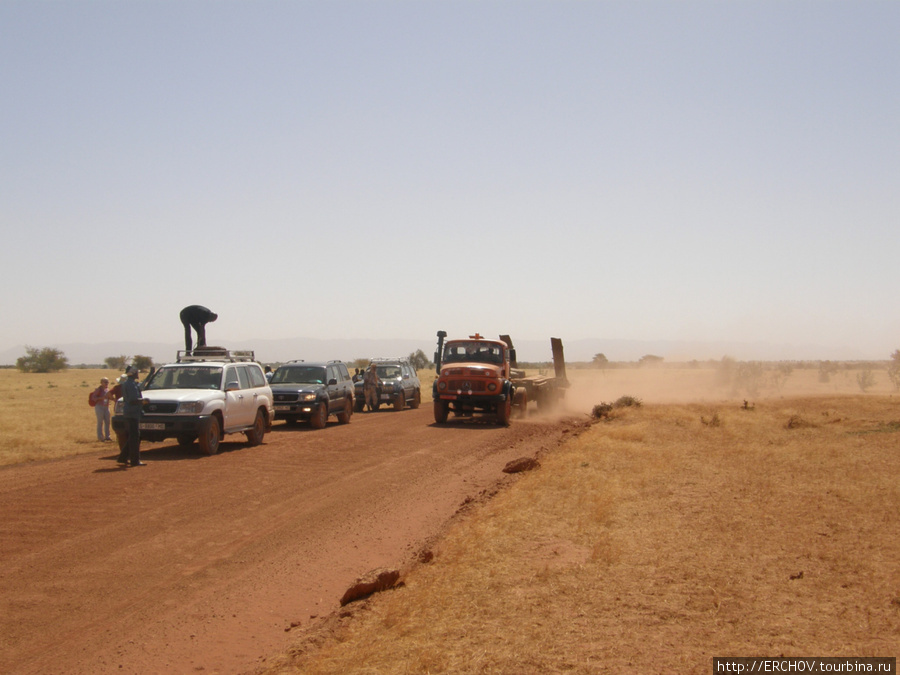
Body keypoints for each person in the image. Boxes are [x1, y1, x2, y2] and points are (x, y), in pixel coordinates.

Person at [118, 365, 146, 467]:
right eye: (137, 372)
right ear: (134, 373)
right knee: (135, 437)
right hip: (133, 412)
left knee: (134, 436)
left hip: (129, 412)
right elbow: (133, 399)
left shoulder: (127, 383)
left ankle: (123, 457)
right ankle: (135, 460)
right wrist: (143, 401)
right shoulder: (131, 385)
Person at [90, 377, 112, 441]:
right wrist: (101, 398)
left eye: (107, 382)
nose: (106, 383)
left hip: (106, 407)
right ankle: (100, 437)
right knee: (100, 422)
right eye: (105, 382)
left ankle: (107, 436)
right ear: (101, 383)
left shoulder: (107, 390)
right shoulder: (98, 390)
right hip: (99, 406)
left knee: (107, 422)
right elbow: (93, 397)